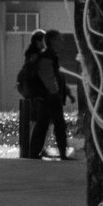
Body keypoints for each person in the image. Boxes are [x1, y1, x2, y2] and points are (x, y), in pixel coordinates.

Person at [29, 29, 74, 160]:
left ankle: (34, 153)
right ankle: (62, 153)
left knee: (43, 124)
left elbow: (55, 75)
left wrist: (66, 91)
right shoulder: (48, 55)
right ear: (53, 41)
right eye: (60, 39)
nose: (62, 41)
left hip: (48, 96)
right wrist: (54, 92)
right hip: (51, 96)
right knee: (58, 124)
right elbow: (47, 75)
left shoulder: (49, 54)